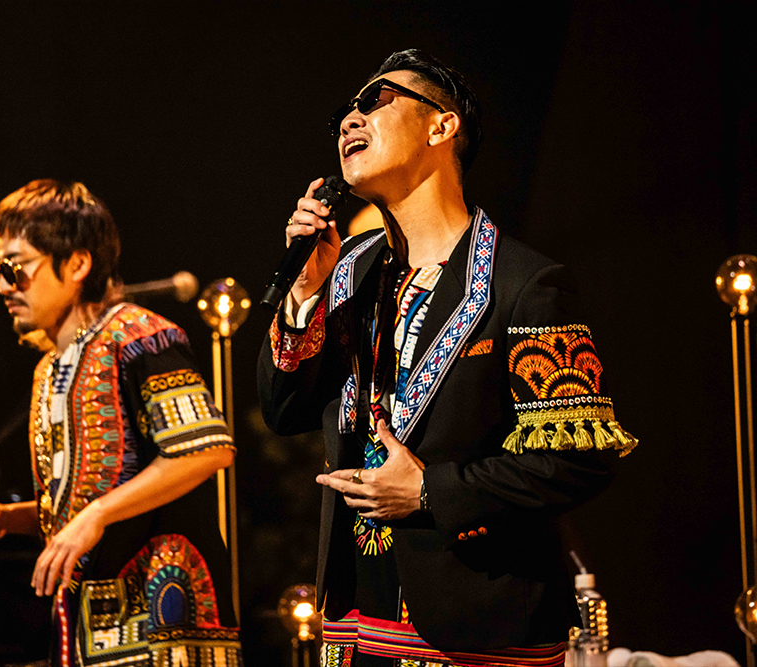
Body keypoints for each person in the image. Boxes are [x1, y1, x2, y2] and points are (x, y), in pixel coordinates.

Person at [257, 50, 637, 666]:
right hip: (355, 623)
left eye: (377, 101)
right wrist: (304, 294)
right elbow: (284, 409)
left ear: (442, 126)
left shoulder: (524, 283)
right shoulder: (348, 271)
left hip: (481, 629)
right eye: (345, 112)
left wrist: (431, 491)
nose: (350, 119)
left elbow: (578, 458)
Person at [0, 179, 242, 666]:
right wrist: (10, 519)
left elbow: (206, 450)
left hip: (162, 621)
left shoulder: (140, 335)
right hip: (90, 624)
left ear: (76, 264)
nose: (4, 285)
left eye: (16, 267)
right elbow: (77, 501)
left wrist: (95, 516)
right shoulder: (49, 368)